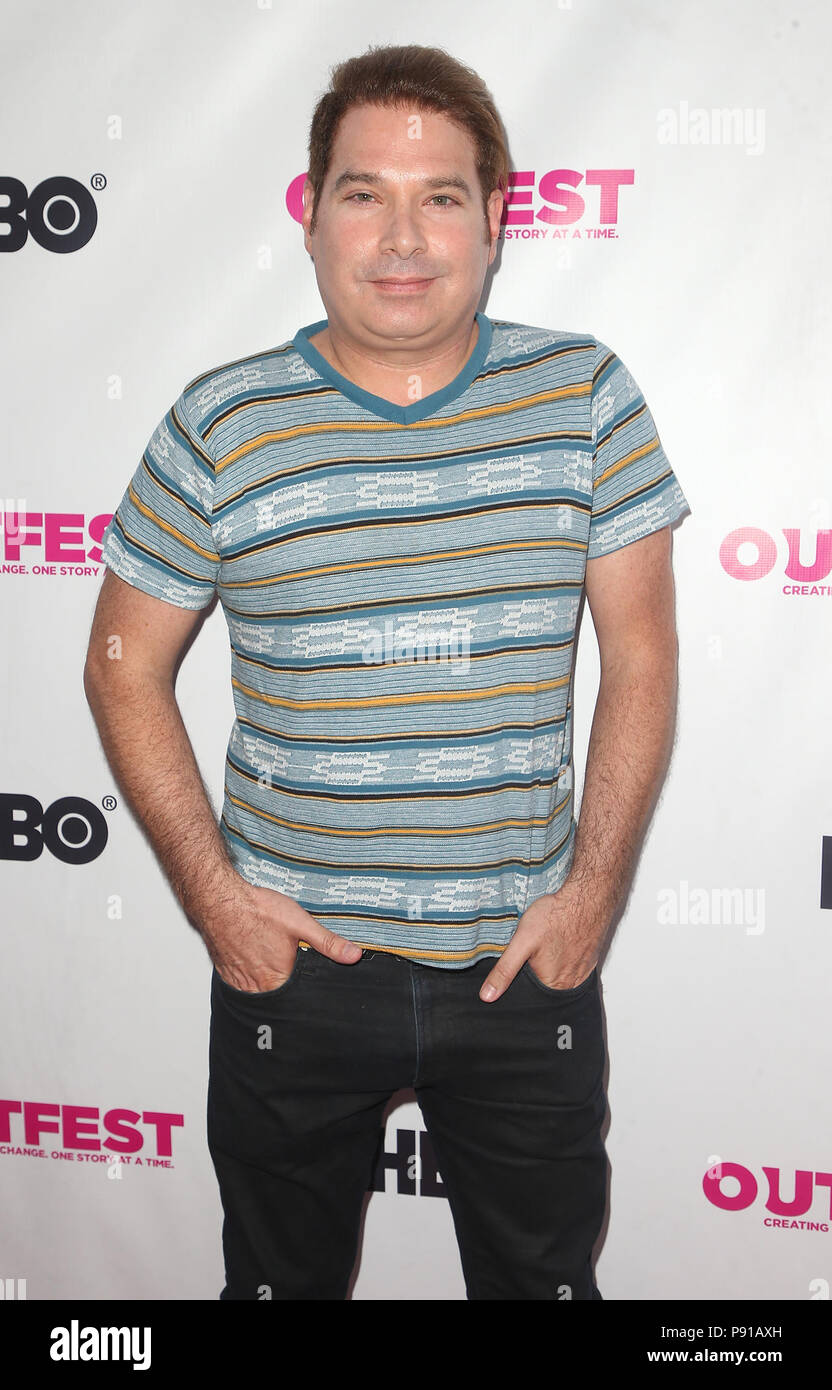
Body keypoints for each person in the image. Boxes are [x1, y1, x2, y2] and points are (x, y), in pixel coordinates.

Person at [84, 43, 691, 1300]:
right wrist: (217, 899)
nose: (402, 237)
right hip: (295, 970)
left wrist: (589, 900)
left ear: (494, 219)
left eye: (441, 196)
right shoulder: (221, 420)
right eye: (364, 193)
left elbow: (639, 653)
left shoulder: (585, 397)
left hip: (521, 966)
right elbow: (120, 667)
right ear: (311, 217)